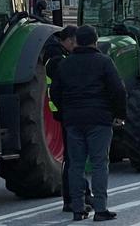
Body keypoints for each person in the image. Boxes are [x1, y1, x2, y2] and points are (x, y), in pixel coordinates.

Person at [52, 25, 127, 222]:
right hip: (99, 120)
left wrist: (65, 111)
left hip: (73, 121)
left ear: (76, 41)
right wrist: (118, 114)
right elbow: (118, 90)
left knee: (75, 165)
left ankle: (78, 209)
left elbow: (55, 92)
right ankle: (100, 208)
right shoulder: (103, 62)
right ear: (95, 41)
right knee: (99, 163)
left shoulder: (65, 65)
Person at [45, 26, 92, 213]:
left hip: (66, 112)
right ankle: (73, 198)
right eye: (77, 43)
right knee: (73, 158)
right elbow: (61, 88)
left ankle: (82, 193)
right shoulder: (58, 59)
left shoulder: (58, 56)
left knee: (75, 156)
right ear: (71, 41)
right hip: (67, 113)